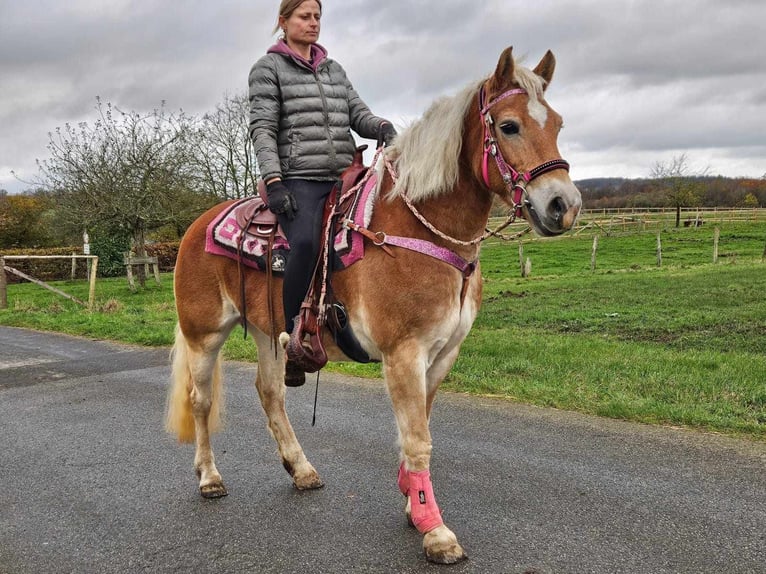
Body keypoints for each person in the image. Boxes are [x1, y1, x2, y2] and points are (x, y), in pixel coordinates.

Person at [248, 0, 396, 385]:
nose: (313, 23)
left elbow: (357, 114)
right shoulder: (269, 69)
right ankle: (295, 343)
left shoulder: (334, 69)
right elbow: (262, 129)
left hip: (345, 174)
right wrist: (275, 181)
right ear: (283, 21)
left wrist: (381, 125)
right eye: (304, 16)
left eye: (317, 17)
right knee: (307, 244)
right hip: (299, 178)